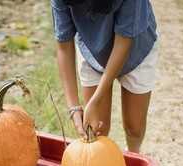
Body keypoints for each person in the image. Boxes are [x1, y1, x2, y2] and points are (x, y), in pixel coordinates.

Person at [51, 0, 160, 155]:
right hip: (92, 52)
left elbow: (124, 42)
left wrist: (96, 100)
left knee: (134, 127)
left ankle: (134, 157)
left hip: (136, 49)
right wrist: (74, 107)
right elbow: (64, 45)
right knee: (97, 129)